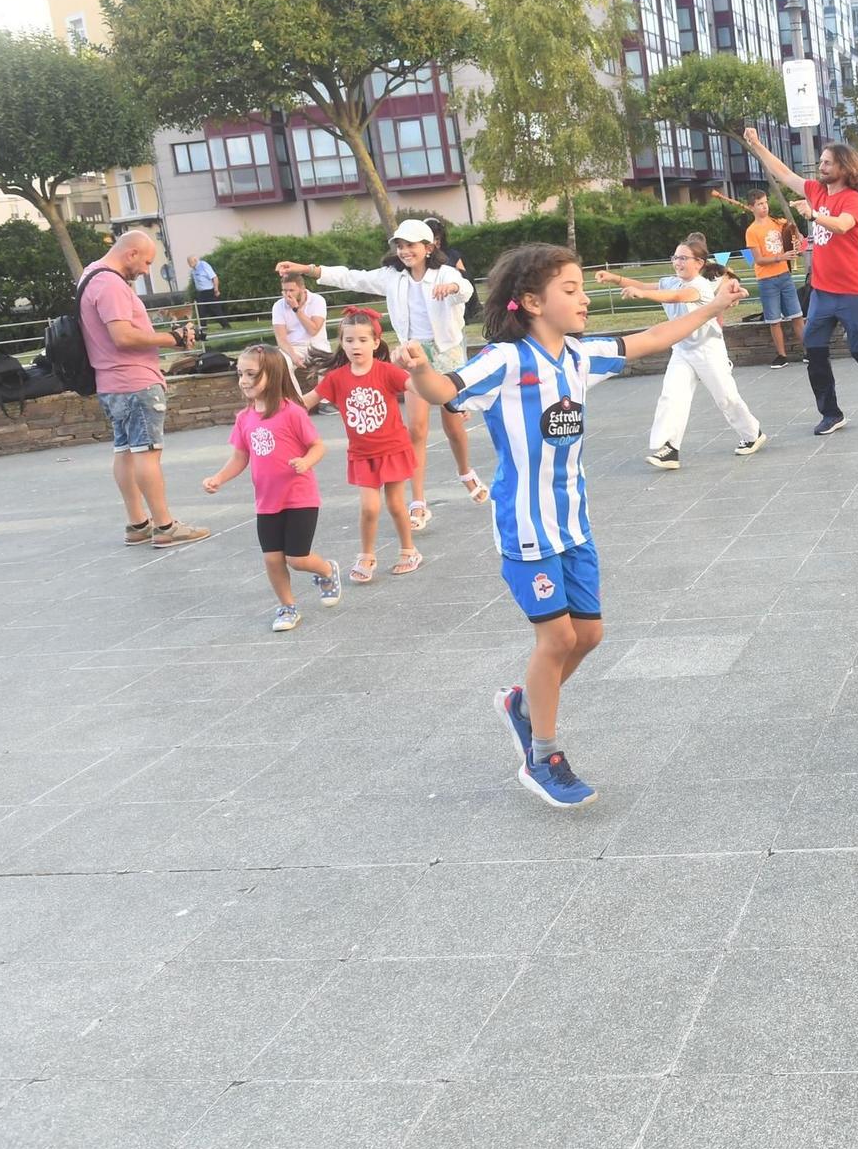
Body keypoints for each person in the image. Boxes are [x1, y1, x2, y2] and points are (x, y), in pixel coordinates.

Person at [401, 244, 746, 809]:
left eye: (582, 287)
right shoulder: (506, 359)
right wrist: (419, 371)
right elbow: (447, 390)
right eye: (570, 290)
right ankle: (543, 755)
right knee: (556, 637)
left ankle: (522, 704)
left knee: (588, 636)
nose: (584, 298)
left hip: (574, 525)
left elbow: (649, 341)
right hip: (525, 527)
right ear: (533, 302)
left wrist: (712, 306)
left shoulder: (580, 357)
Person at [275, 220, 488, 528]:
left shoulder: (445, 273)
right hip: (413, 354)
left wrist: (453, 287)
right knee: (416, 429)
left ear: (428, 248)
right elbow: (352, 277)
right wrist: (308, 269)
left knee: (453, 427)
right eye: (399, 246)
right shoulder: (393, 278)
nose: (404, 251)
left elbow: (466, 289)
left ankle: (465, 472)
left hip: (447, 354)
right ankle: (418, 502)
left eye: (411, 245)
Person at [740, 127, 858, 435]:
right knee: (813, 348)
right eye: (822, 161)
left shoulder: (853, 199)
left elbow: (843, 226)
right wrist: (758, 145)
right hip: (823, 290)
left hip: (853, 290)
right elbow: (784, 172)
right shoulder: (815, 190)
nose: (822, 166)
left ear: (843, 167)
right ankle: (831, 413)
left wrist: (814, 216)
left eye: (828, 162)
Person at [78, 231, 211, 549]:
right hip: (134, 383)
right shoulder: (110, 284)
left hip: (110, 383)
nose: (147, 270)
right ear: (131, 253)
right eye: (147, 262)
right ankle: (165, 526)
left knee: (125, 452)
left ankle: (138, 524)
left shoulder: (90, 275)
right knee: (147, 454)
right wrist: (174, 338)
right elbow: (123, 337)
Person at [595, 235, 765, 471]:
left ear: (699, 263)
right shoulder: (670, 281)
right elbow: (647, 286)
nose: (678, 262)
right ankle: (669, 449)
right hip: (682, 349)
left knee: (726, 397)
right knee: (671, 396)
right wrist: (614, 278)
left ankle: (752, 433)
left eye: (684, 258)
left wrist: (643, 294)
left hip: (708, 349)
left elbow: (676, 297)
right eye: (675, 257)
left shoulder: (700, 287)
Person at [200, 345, 340, 631]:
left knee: (297, 558)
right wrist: (219, 478)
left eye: (251, 374)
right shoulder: (245, 419)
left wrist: (305, 461)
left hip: (300, 497)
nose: (244, 380)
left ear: (273, 375)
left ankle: (326, 570)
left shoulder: (292, 413)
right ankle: (287, 607)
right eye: (240, 374)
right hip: (267, 502)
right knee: (273, 559)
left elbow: (318, 445)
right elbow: (240, 457)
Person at [301, 307, 420, 582]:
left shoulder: (388, 371)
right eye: (349, 340)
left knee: (396, 505)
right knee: (369, 507)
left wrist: (452, 399)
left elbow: (419, 386)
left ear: (376, 342)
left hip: (392, 449)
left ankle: (409, 550)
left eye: (363, 340)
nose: (356, 346)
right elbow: (307, 401)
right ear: (341, 343)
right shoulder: (336, 378)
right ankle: (367, 555)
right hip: (362, 454)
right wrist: (274, 409)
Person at [740, 189, 805, 368]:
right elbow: (759, 260)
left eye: (765, 202)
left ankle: (808, 350)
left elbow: (792, 235)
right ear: (751, 207)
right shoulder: (751, 231)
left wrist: (796, 238)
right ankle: (781, 355)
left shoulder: (777, 222)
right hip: (766, 279)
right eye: (760, 204)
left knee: (797, 315)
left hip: (784, 275)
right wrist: (780, 257)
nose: (764, 207)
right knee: (774, 319)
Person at [271, 271, 335, 386]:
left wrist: (296, 309)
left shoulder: (317, 300)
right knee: (280, 364)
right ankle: (296, 400)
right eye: (284, 291)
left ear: (302, 289)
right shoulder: (278, 306)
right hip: (294, 347)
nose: (287, 295)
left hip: (317, 345)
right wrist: (293, 356)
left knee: (327, 366)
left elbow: (313, 330)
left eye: (291, 290)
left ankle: (324, 402)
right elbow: (281, 339)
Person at [187, 253, 226, 331]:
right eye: (188, 262)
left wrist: (216, 289)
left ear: (195, 260)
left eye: (190, 262)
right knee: (201, 310)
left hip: (209, 291)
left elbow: (214, 277)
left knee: (216, 310)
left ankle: (226, 325)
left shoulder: (204, 265)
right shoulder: (193, 270)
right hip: (201, 293)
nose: (188, 264)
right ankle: (203, 327)